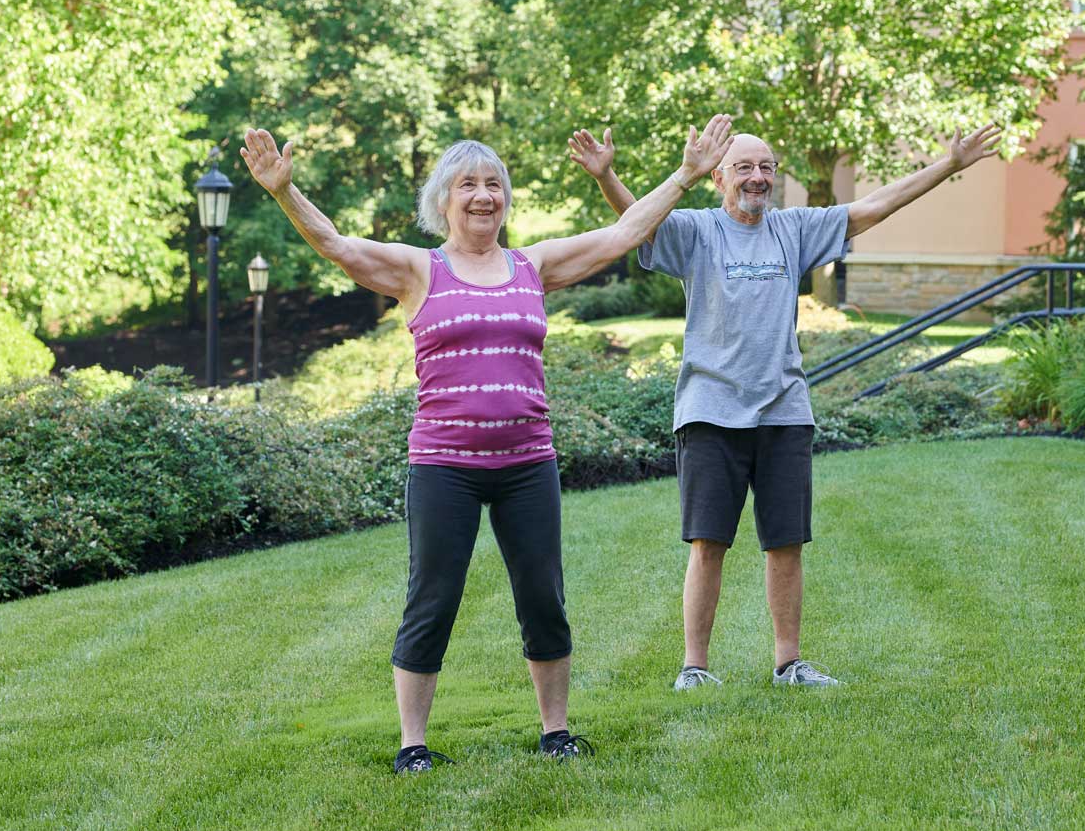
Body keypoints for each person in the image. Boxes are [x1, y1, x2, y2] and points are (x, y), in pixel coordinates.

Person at [240, 115, 734, 772]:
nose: (483, 196)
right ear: (442, 200)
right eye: (468, 185)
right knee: (433, 596)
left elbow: (622, 233)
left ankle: (556, 732)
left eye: (494, 184)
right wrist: (283, 191)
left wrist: (686, 175)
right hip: (444, 466)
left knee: (542, 595)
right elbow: (334, 243)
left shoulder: (533, 265)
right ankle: (412, 745)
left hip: (527, 464)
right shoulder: (419, 269)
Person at [568, 122, 1004, 689]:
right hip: (710, 411)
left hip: (784, 410)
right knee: (708, 544)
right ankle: (694, 667)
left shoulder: (795, 229)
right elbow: (634, 227)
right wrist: (606, 176)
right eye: (744, 167)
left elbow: (875, 206)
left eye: (767, 167)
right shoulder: (697, 231)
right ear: (719, 176)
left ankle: (788, 663)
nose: (757, 177)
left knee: (786, 543)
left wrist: (949, 164)